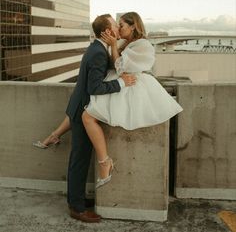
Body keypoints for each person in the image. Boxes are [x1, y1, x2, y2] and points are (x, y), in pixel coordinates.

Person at [34, 14, 136, 223]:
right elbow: (95, 87)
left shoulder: (98, 48)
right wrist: (123, 83)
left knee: (79, 158)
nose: (118, 27)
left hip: (79, 106)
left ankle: (77, 198)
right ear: (106, 32)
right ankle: (77, 208)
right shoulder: (98, 52)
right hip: (82, 111)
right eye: (115, 25)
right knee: (79, 160)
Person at [81, 12, 183, 190]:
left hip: (131, 86)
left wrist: (113, 46)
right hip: (122, 84)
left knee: (88, 115)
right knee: (87, 112)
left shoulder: (143, 45)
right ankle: (56, 136)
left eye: (121, 25)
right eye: (117, 25)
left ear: (133, 26)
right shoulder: (124, 43)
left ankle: (104, 162)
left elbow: (121, 68)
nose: (118, 28)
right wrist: (115, 45)